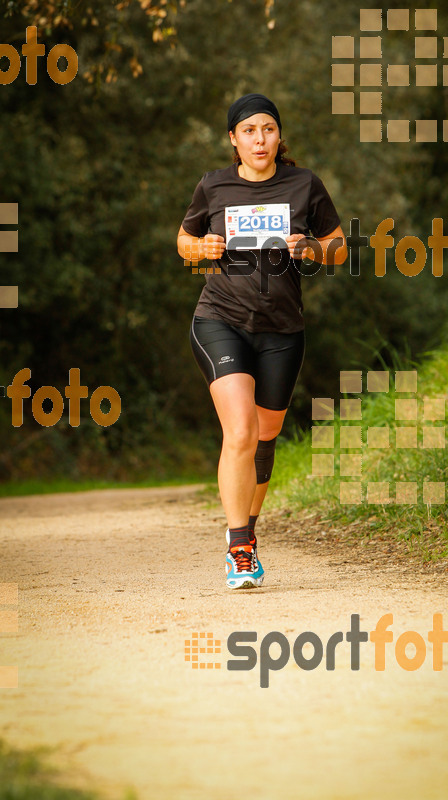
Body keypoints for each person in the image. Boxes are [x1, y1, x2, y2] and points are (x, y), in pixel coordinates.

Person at [177, 93, 347, 590]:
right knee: (241, 432)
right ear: (234, 139)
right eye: (248, 130)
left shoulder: (304, 185)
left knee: (265, 440)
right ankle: (238, 549)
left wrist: (313, 247)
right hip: (220, 319)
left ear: (278, 137)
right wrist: (199, 247)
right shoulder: (213, 186)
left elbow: (336, 246)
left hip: (282, 329)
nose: (259, 139)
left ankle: (248, 530)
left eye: (267, 129)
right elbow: (183, 240)